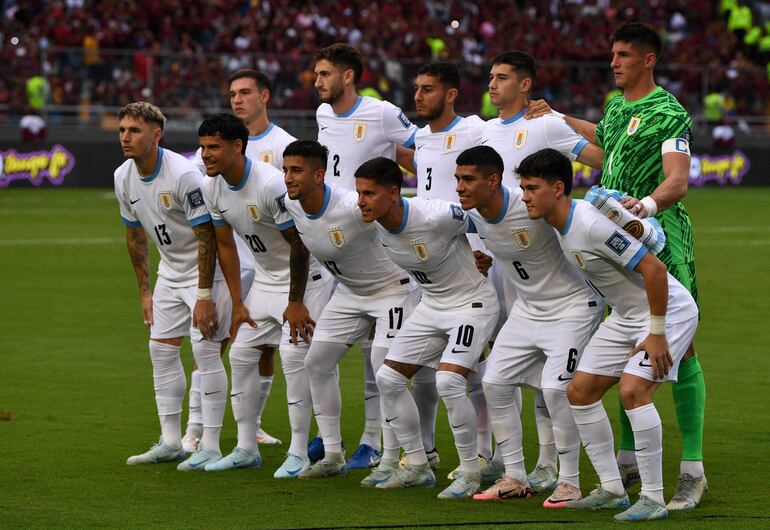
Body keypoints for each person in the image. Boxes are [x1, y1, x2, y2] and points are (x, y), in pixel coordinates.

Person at [527, 23, 707, 510]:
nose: (614, 62)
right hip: (613, 240)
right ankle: (627, 462)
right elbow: (606, 148)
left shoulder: (669, 112)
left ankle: (692, 470)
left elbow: (678, 180)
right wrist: (558, 120)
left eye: (624, 55)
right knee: (631, 349)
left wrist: (645, 207)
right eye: (613, 54)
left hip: (661, 240)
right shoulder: (613, 105)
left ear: (648, 60)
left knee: (679, 351)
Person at [519, 148, 698, 522]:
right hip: (626, 314)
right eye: (522, 187)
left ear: (558, 189)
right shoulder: (559, 223)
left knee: (634, 392)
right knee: (579, 392)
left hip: (668, 313)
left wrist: (657, 333)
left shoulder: (588, 224)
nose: (525, 196)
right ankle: (612, 490)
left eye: (532, 188)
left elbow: (655, 271)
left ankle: (652, 499)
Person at [481, 50, 604, 492]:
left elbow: (604, 159)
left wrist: (564, 116)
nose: (492, 85)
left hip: (556, 266)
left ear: (526, 84)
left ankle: (551, 465)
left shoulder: (546, 125)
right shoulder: (484, 131)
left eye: (502, 77)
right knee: (514, 374)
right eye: (490, 77)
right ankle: (516, 465)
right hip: (508, 267)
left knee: (552, 379)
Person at [453, 146, 604, 506]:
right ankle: (515, 477)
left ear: (493, 182)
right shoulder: (472, 216)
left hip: (573, 306)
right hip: (528, 309)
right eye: (457, 179)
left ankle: (569, 481)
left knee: (555, 390)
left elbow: (578, 219)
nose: (459, 187)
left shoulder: (533, 206)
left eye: (468, 179)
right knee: (494, 382)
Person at [196, 114, 334, 476]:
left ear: (237, 147)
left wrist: (295, 301)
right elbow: (225, 245)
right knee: (240, 356)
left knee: (294, 358)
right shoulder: (212, 188)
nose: (205, 154)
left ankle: (300, 451)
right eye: (203, 146)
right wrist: (239, 302)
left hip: (307, 283)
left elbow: (299, 245)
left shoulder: (270, 185)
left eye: (213, 147)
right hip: (265, 281)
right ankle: (245, 448)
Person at [358, 157, 500, 499]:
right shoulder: (374, 221)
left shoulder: (437, 215)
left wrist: (488, 254)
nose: (360, 201)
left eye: (369, 194)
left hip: (472, 304)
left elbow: (494, 221)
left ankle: (469, 472)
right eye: (359, 193)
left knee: (449, 381)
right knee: (389, 378)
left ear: (393, 194)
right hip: (431, 306)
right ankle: (419, 466)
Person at [280, 140, 420, 479]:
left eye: (296, 170)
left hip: (393, 291)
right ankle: (332, 455)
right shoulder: (290, 203)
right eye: (285, 170)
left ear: (319, 175)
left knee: (384, 371)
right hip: (350, 293)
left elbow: (405, 218)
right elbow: (299, 247)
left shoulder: (352, 206)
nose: (287, 178)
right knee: (316, 361)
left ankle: (389, 460)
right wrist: (295, 300)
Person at [313, 43, 419, 468]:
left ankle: (375, 440)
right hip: (335, 245)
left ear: (348, 76)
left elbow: (421, 151)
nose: (317, 82)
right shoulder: (322, 116)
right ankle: (329, 437)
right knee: (323, 348)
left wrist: (419, 191)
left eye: (324, 74)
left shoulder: (382, 113)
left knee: (376, 351)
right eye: (317, 74)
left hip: (377, 245)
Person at [115, 102, 230, 470]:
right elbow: (135, 238)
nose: (125, 137)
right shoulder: (123, 177)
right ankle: (169, 442)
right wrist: (145, 292)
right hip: (170, 272)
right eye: (122, 130)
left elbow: (207, 237)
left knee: (206, 352)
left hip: (209, 273)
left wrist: (204, 296)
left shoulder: (182, 175)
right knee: (160, 351)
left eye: (134, 130)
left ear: (156, 135)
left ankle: (209, 444)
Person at [187, 69, 298, 449]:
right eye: (232, 92)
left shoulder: (285, 145)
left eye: (245, 92)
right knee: (214, 341)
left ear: (264, 96)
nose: (237, 99)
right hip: (238, 262)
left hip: (275, 264)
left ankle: (254, 424)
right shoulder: (213, 151)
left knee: (263, 348)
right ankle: (196, 427)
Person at [411, 60, 492, 478]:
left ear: (451, 94)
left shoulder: (477, 130)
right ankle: (425, 449)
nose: (418, 96)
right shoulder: (421, 138)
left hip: (471, 256)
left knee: (474, 365)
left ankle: (484, 452)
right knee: (424, 362)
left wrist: (485, 242)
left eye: (427, 89)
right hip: (427, 261)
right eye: (417, 88)